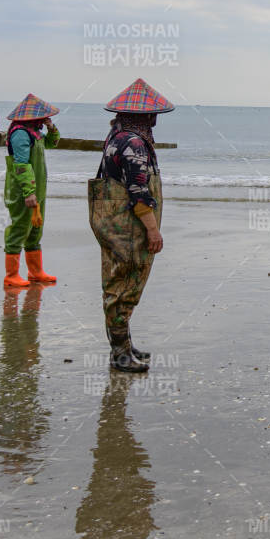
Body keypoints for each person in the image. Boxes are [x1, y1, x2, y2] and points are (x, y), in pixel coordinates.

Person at [88, 78, 172, 373]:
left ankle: (124, 344)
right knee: (126, 285)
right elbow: (138, 193)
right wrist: (152, 229)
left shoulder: (116, 136)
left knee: (116, 281)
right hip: (128, 224)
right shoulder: (135, 143)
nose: (154, 120)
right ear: (144, 116)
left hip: (110, 221)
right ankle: (119, 353)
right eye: (152, 116)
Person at [2, 93, 61, 289]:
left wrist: (52, 128)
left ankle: (35, 272)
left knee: (36, 229)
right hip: (22, 192)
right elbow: (21, 165)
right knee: (20, 229)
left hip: (39, 190)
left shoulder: (36, 133)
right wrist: (29, 192)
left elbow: (53, 143)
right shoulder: (20, 133)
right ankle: (11, 275)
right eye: (43, 118)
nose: (45, 120)